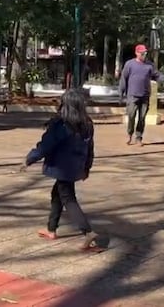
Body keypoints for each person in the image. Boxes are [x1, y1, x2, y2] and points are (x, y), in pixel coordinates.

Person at [21, 88, 102, 252]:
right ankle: (51, 229)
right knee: (57, 194)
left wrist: (29, 159)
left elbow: (45, 145)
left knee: (68, 199)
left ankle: (88, 232)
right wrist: (87, 167)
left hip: (62, 168)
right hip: (75, 167)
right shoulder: (86, 124)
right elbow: (90, 149)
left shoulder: (62, 125)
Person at [119, 44, 161, 145]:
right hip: (132, 95)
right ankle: (129, 134)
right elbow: (123, 79)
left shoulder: (150, 65)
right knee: (131, 115)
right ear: (136, 53)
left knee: (142, 118)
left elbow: (157, 75)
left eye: (145, 53)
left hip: (145, 96)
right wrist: (121, 93)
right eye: (142, 53)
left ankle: (139, 137)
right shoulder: (129, 64)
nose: (144, 54)